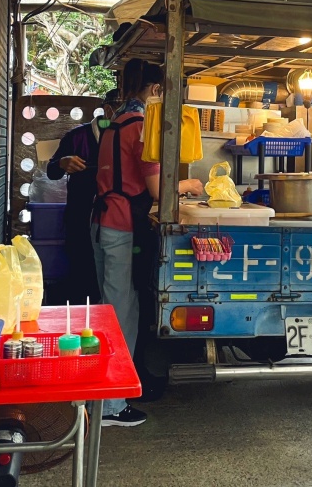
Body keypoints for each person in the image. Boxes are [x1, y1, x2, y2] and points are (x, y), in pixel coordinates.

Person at [91, 59, 203, 427]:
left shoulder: (115, 122)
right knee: (119, 314)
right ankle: (110, 406)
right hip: (119, 226)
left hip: (106, 221)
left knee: (120, 309)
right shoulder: (140, 127)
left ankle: (119, 391)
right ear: (156, 91)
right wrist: (190, 186)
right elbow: (157, 188)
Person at [46, 90, 120, 305]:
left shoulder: (126, 136)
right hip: (80, 217)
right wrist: (62, 163)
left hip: (116, 219)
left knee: (112, 277)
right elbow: (52, 171)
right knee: (81, 273)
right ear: (108, 110)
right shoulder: (77, 137)